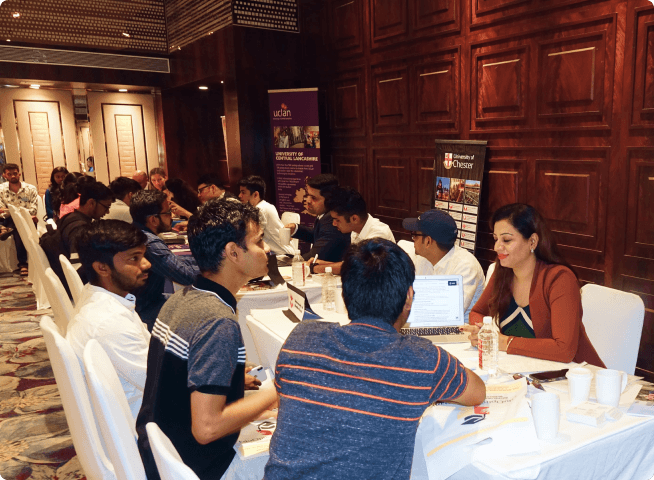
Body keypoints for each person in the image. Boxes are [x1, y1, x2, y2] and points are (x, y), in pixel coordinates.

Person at [264, 239, 486, 480]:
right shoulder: (422, 359)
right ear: (409, 296)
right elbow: (477, 392)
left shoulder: (301, 339)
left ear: (345, 291)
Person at [136, 198, 278, 480]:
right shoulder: (218, 321)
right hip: (203, 467)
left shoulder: (182, 299)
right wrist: (279, 391)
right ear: (233, 252)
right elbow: (208, 428)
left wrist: (234, 375)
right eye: (259, 242)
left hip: (164, 456)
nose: (267, 249)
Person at [463, 203, 605, 366]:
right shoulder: (503, 271)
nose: (497, 247)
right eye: (495, 239)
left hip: (577, 377)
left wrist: (503, 342)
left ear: (532, 241)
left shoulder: (560, 279)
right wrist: (483, 331)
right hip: (524, 372)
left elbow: (564, 350)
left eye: (507, 240)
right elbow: (477, 312)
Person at [66, 220, 151, 418]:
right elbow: (165, 385)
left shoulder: (96, 295)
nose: (147, 264)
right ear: (102, 268)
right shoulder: (110, 322)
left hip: (134, 409)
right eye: (134, 259)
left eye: (143, 256)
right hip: (147, 425)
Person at [130, 190, 200, 330]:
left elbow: (177, 264)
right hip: (145, 312)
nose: (172, 217)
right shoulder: (150, 243)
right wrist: (215, 265)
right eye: (167, 213)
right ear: (153, 220)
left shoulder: (138, 232)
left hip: (141, 304)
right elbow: (186, 276)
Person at [403, 209, 485, 323]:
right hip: (423, 323)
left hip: (459, 333)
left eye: (414, 235)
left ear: (428, 241)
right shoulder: (422, 258)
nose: (413, 240)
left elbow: (449, 316)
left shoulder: (466, 266)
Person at [312, 186, 395, 274]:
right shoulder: (356, 230)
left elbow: (359, 267)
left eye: (337, 220)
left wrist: (315, 268)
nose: (334, 224)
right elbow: (351, 264)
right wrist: (323, 264)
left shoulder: (378, 233)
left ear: (354, 219)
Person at [284, 174, 351, 262]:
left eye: (313, 198)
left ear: (329, 200)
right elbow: (319, 235)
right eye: (308, 195)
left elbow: (315, 256)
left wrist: (292, 262)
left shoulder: (332, 220)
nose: (308, 201)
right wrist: (296, 229)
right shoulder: (325, 215)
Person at [237, 175, 294, 255]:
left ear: (255, 195)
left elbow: (253, 237)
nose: (239, 196)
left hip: (281, 255)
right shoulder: (265, 206)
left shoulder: (260, 210)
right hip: (278, 253)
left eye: (243, 192)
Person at [0, 163, 38, 276]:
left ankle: (6, 229)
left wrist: (13, 211)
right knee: (17, 226)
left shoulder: (30, 189)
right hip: (10, 219)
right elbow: (1, 211)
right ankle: (23, 264)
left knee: (18, 224)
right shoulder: (1, 189)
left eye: (15, 173)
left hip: (28, 219)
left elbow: (33, 209)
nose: (13, 176)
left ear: (19, 174)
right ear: (4, 175)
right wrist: (17, 213)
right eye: (9, 174)